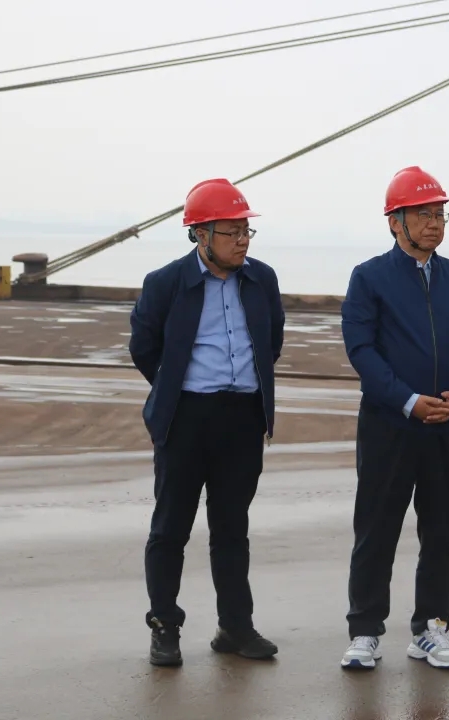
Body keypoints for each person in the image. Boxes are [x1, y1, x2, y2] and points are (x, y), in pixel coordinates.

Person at [128, 178, 284, 667]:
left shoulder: (262, 279)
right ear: (200, 234)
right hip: (186, 418)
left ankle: (235, 627)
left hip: (243, 418)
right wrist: (177, 385)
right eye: (231, 232)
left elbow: (272, 341)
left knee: (232, 529)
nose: (242, 240)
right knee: (170, 528)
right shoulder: (166, 282)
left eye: (246, 231)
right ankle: (164, 627)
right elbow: (144, 347)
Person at [338, 166, 449, 671]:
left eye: (440, 214)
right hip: (389, 426)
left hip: (446, 425)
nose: (434, 223)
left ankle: (431, 628)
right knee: (376, 529)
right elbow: (361, 349)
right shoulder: (369, 277)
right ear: (394, 222)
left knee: (441, 530)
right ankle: (364, 631)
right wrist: (407, 400)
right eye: (422, 214)